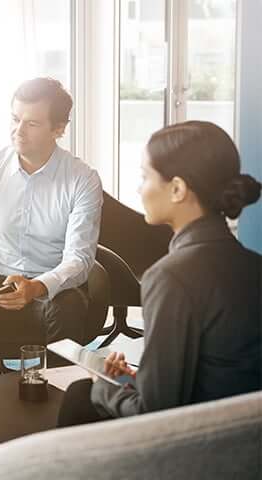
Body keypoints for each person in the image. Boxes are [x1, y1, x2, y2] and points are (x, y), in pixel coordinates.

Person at [57, 121, 262, 426]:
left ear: (177, 189)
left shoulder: (170, 278)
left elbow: (154, 412)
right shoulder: (254, 265)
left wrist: (104, 388)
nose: (140, 189)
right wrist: (137, 380)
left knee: (81, 395)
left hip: (199, 445)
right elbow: (224, 369)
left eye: (145, 176)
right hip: (243, 434)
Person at [0, 77, 103, 359]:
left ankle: (56, 395)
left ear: (59, 129)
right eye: (15, 119)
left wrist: (37, 287)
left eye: (32, 124)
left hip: (53, 288)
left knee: (69, 307)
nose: (18, 131)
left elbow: (79, 259)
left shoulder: (82, 179)